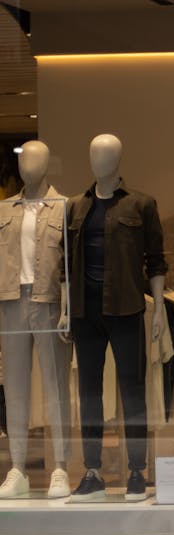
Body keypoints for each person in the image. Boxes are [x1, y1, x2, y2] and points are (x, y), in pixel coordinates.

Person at [66, 134, 167, 503]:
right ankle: (92, 471)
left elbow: (156, 260)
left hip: (126, 309)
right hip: (85, 312)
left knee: (132, 390)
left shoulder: (142, 205)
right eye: (93, 153)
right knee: (89, 393)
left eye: (105, 154)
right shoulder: (75, 208)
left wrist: (157, 310)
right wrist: (66, 309)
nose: (99, 160)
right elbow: (65, 266)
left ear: (118, 159)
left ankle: (137, 471)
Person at [0, 140, 73, 499]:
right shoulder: (3, 210)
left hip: (48, 301)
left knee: (56, 385)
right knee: (14, 388)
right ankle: (18, 468)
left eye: (36, 158)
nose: (29, 164)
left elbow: (70, 267)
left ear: (47, 164)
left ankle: (60, 466)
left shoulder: (63, 207)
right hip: (10, 301)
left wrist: (67, 308)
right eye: (24, 158)